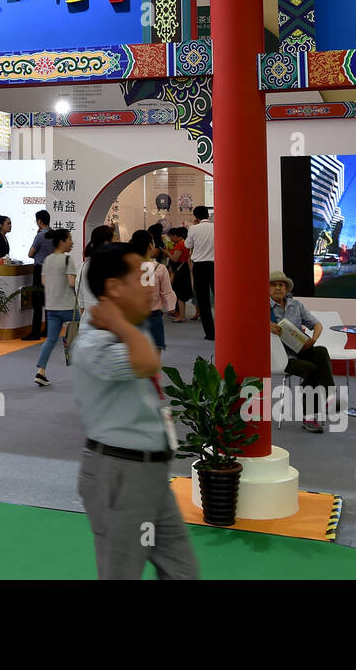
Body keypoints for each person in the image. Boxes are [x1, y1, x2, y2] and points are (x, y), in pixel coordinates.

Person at [72, 243, 198, 580]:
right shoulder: (93, 343)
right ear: (113, 287)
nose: (149, 286)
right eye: (140, 277)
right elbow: (146, 362)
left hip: (150, 473)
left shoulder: (128, 329)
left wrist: (124, 324)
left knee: (182, 571)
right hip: (119, 473)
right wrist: (122, 325)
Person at [269, 270, 332, 433]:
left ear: (286, 289)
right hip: (280, 357)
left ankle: (328, 394)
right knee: (312, 370)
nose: (277, 288)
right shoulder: (262, 308)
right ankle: (309, 417)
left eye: (281, 285)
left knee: (321, 351)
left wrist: (313, 339)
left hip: (299, 349)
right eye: (274, 285)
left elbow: (317, 325)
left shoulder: (296, 305)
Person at [33, 228, 78, 386]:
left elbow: (44, 282)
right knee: (83, 335)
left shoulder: (47, 260)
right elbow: (72, 283)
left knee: (51, 340)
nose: (72, 243)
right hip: (69, 307)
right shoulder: (67, 260)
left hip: (52, 307)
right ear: (61, 242)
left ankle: (41, 371)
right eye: (69, 239)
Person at [129, 230, 175, 354]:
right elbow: (166, 292)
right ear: (150, 245)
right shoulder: (160, 268)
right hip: (153, 316)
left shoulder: (126, 267)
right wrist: (171, 308)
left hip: (132, 316)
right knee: (154, 354)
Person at [26, 210, 55, 340]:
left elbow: (30, 254)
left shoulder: (40, 236)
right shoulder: (54, 234)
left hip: (40, 270)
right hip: (52, 270)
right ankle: (48, 330)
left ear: (39, 221)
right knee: (48, 302)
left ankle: (35, 332)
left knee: (37, 303)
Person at [188, 206, 215, 341]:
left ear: (195, 216)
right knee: (220, 299)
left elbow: (188, 245)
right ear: (208, 214)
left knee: (203, 301)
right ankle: (225, 329)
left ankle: (210, 333)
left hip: (199, 266)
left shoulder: (193, 229)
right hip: (216, 266)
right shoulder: (216, 227)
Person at [76, 224, 115, 314]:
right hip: (108, 318)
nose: (118, 241)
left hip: (88, 317)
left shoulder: (84, 265)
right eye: (115, 238)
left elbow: (79, 291)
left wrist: (83, 310)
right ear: (107, 243)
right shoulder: (112, 265)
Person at [166, 226, 195, 323]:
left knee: (179, 293)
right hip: (184, 269)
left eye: (171, 237)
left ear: (175, 235)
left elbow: (175, 259)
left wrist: (167, 252)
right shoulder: (185, 243)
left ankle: (181, 316)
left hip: (180, 271)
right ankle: (181, 314)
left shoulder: (180, 245)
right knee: (181, 293)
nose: (170, 239)